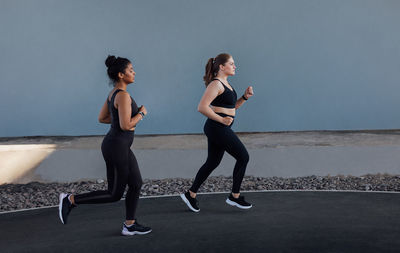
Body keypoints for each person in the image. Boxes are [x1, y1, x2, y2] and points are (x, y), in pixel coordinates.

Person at [59, 55, 151, 236]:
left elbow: (102, 118)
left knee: (136, 183)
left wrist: (120, 120)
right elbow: (126, 125)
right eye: (130, 70)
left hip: (118, 146)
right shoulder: (123, 96)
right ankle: (70, 200)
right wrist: (141, 114)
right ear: (121, 74)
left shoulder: (114, 94)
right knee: (114, 194)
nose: (134, 72)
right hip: (116, 147)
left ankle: (130, 224)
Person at [180, 53, 254, 212]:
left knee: (212, 162)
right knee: (243, 157)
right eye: (232, 63)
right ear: (222, 66)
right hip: (217, 128)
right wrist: (221, 121)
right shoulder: (216, 84)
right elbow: (202, 107)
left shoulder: (226, 84)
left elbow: (231, 109)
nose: (235, 66)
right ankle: (234, 197)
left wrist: (244, 98)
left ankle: (190, 194)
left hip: (219, 128)